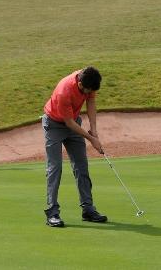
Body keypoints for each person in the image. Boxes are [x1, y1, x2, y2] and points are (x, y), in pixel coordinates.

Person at [42, 66, 107, 228]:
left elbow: (91, 101)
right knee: (55, 168)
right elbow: (68, 123)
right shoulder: (64, 90)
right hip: (54, 124)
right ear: (79, 84)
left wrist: (94, 129)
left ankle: (88, 209)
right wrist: (91, 139)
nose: (87, 93)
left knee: (81, 166)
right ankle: (52, 212)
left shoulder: (89, 79)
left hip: (73, 122)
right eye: (86, 91)